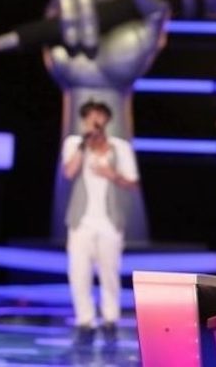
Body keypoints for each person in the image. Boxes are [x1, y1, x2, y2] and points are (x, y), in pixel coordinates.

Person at [60, 100, 139, 349]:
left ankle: (110, 321)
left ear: (106, 120)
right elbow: (68, 172)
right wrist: (84, 145)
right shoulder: (74, 143)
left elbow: (133, 182)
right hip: (81, 221)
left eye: (99, 116)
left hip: (109, 222)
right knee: (78, 273)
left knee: (109, 273)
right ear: (84, 120)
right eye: (89, 116)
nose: (94, 120)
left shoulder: (120, 147)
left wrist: (111, 174)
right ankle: (85, 322)